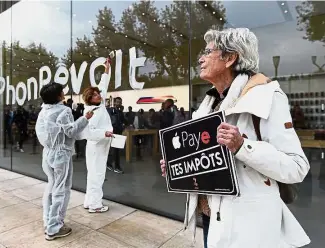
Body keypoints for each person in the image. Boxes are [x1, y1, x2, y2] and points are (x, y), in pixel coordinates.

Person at [160, 28, 310, 248]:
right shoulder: (208, 104)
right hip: (211, 216)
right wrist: (178, 166)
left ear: (230, 58)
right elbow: (206, 161)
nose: (200, 58)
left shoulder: (267, 97)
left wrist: (243, 146)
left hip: (247, 225)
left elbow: (297, 167)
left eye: (208, 52)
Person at [35, 82, 93, 241]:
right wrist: (84, 119)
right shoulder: (64, 110)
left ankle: (48, 222)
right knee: (61, 190)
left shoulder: (43, 112)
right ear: (59, 96)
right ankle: (54, 228)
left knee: (51, 187)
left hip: (47, 153)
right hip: (61, 154)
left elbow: (41, 133)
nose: (64, 94)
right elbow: (71, 131)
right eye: (62, 92)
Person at [81, 59, 114, 213]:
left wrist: (107, 68)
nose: (98, 95)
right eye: (95, 95)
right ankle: (95, 205)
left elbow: (103, 84)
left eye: (98, 94)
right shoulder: (90, 112)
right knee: (97, 175)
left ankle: (89, 201)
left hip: (100, 145)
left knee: (93, 174)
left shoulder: (99, 104)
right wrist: (105, 133)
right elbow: (89, 133)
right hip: (96, 146)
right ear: (89, 99)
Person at [107, 96, 126, 174]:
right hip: (114, 132)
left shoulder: (119, 111)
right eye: (117, 102)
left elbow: (123, 120)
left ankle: (109, 164)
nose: (119, 103)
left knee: (116, 150)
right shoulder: (111, 110)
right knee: (115, 150)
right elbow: (113, 121)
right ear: (114, 102)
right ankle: (116, 167)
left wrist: (125, 124)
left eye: (120, 102)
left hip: (119, 132)